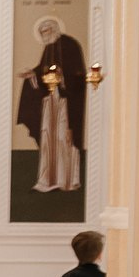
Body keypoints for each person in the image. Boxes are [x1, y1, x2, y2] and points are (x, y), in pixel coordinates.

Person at [17, 15, 89, 194]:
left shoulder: (70, 45)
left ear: (54, 29)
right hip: (51, 102)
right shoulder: (48, 48)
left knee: (65, 138)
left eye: (46, 31)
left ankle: (68, 180)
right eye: (41, 33)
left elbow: (77, 74)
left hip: (66, 103)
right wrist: (32, 75)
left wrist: (62, 77)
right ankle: (48, 180)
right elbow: (42, 70)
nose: (43, 35)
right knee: (49, 138)